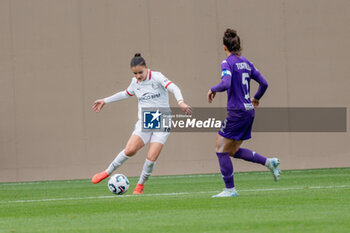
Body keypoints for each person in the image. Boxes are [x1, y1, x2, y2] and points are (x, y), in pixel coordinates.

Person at [92, 53, 192, 194]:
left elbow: (174, 88)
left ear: (146, 68)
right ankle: (107, 172)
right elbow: (125, 93)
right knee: (130, 150)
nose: (138, 76)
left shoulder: (157, 77)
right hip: (146, 121)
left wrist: (180, 102)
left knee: (151, 157)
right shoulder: (135, 83)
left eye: (140, 72)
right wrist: (105, 100)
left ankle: (140, 186)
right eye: (135, 73)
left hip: (162, 121)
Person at [207, 29, 280, 198]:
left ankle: (230, 190)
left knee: (220, 149)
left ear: (224, 47)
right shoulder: (247, 63)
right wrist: (256, 98)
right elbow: (264, 83)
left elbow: (225, 83)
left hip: (237, 112)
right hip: (248, 111)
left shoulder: (227, 63)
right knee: (232, 150)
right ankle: (270, 162)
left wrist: (212, 89)